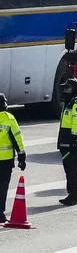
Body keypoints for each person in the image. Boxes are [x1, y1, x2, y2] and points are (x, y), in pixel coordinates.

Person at [57, 78, 77, 206]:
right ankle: (71, 193)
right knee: (68, 169)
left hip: (74, 142)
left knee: (73, 169)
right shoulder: (68, 103)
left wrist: (73, 139)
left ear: (74, 89)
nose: (64, 90)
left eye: (67, 88)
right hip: (65, 140)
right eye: (64, 88)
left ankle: (74, 196)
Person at [0, 94, 26, 222]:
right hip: (4, 160)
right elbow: (17, 138)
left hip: (5, 160)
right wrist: (21, 155)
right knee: (2, 187)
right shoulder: (8, 118)